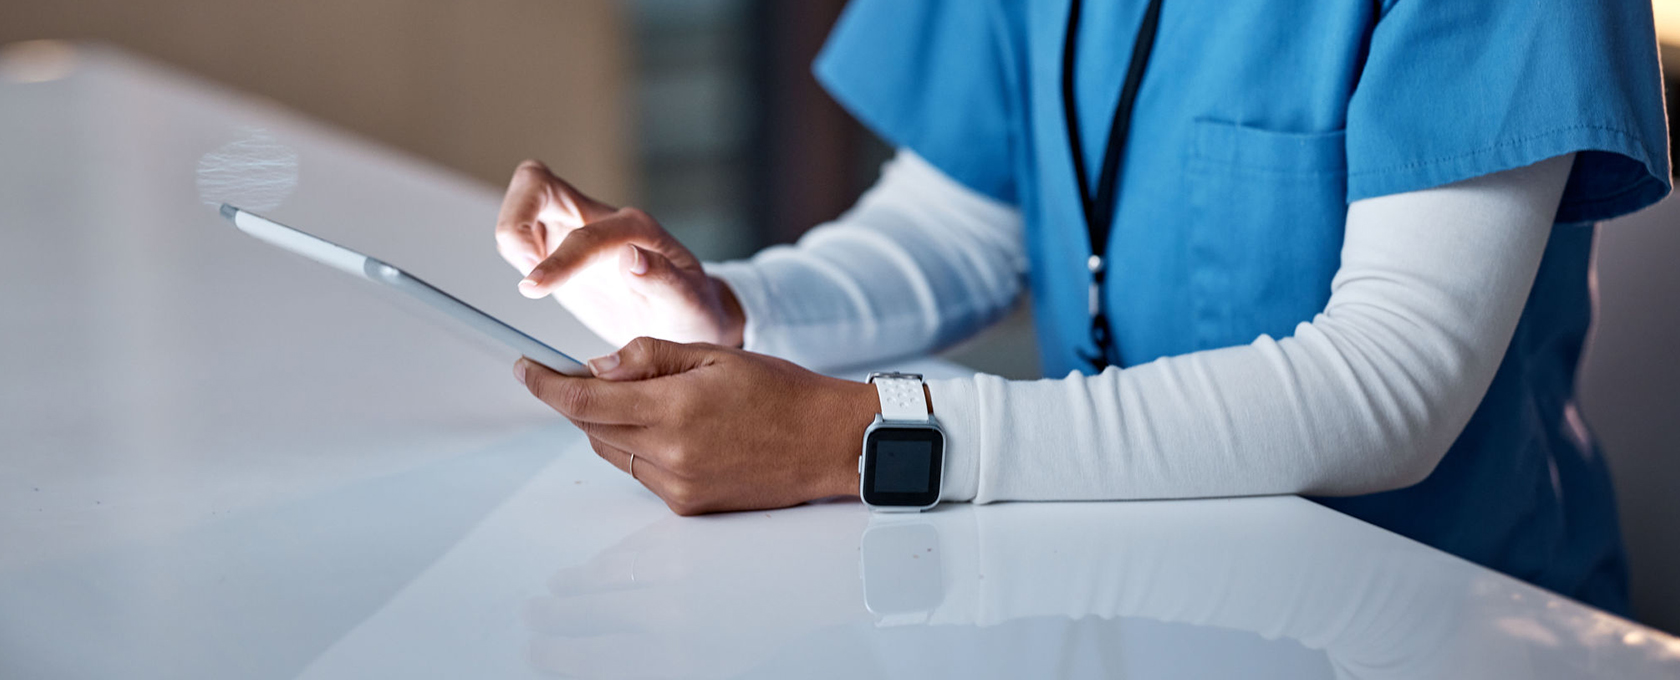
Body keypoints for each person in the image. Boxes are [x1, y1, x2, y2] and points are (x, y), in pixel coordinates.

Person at [495, 0, 1668, 615]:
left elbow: (1390, 383)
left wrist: (862, 439)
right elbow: (964, 222)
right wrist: (732, 308)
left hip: (1433, 625)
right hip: (1117, 595)